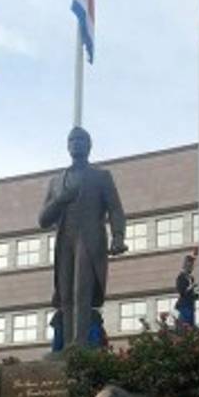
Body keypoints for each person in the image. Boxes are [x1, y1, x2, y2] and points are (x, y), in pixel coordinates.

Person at [38, 127, 126, 348]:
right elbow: (43, 220)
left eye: (81, 140)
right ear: (68, 146)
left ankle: (80, 342)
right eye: (72, 140)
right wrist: (60, 200)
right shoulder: (56, 182)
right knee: (65, 292)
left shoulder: (101, 176)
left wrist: (118, 235)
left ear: (89, 145)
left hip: (90, 237)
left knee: (82, 290)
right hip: (65, 239)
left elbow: (115, 208)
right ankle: (68, 344)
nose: (76, 143)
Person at [175, 254, 198, 329]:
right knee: (185, 324)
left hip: (190, 305)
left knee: (191, 325)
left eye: (192, 265)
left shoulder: (191, 278)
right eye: (190, 265)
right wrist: (191, 287)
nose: (192, 267)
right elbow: (181, 291)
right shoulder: (181, 277)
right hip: (184, 305)